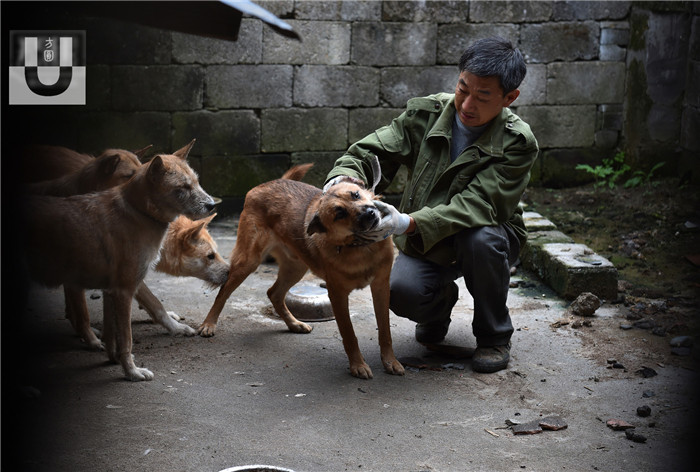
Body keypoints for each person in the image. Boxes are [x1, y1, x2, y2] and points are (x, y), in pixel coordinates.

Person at [323, 37, 539, 373]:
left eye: (482, 96)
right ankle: (436, 312)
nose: (467, 104)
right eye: (463, 88)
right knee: (397, 286)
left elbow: (478, 204)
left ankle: (494, 336)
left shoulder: (518, 142)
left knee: (479, 238)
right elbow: (370, 152)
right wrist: (344, 182)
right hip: (426, 238)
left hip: (485, 235)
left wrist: (406, 223)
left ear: (509, 98)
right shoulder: (425, 114)